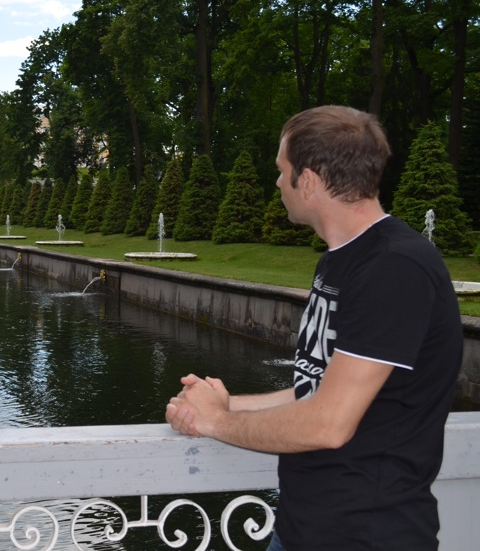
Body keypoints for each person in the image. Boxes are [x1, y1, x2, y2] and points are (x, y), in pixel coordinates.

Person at [165, 106, 463, 550]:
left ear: (309, 180)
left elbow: (328, 424)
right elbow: (319, 385)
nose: (278, 182)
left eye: (282, 171)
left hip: (366, 536)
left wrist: (216, 421)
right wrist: (232, 403)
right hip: (305, 528)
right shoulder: (343, 259)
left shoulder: (394, 268)